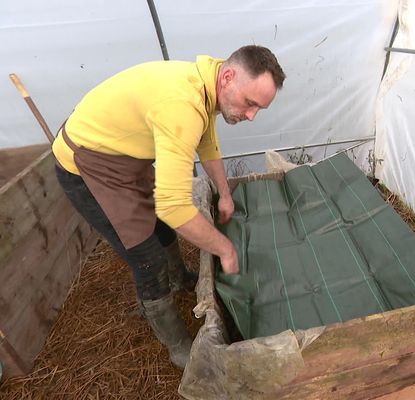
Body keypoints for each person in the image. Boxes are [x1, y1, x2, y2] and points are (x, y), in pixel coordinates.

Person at [52, 45, 286, 369]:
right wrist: (226, 250)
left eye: (259, 108)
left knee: (158, 223)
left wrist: (226, 194)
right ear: (229, 77)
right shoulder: (182, 105)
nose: (251, 116)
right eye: (250, 103)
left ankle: (179, 278)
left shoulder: (206, 86)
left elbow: (207, 142)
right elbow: (174, 206)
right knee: (145, 254)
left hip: (121, 152)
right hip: (87, 165)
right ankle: (177, 344)